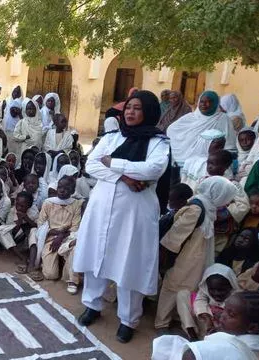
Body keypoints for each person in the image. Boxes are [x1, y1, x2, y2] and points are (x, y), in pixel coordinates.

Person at [74, 90, 170, 343]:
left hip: (135, 213)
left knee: (130, 262)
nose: (130, 112)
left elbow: (153, 168)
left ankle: (128, 319)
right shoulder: (112, 137)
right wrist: (125, 176)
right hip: (102, 207)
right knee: (98, 254)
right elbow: (91, 164)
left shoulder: (159, 142)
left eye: (137, 108)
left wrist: (113, 163)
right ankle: (92, 305)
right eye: (128, 107)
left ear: (148, 111)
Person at [155, 176, 238, 335]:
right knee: (172, 288)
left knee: (186, 289)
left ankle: (177, 318)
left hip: (195, 259)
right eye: (226, 197)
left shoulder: (208, 207)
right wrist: (165, 259)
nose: (227, 202)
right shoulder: (197, 209)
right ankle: (161, 324)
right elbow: (173, 238)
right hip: (185, 259)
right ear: (218, 194)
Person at [29, 175, 83, 292]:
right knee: (50, 275)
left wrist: (61, 236)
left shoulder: (76, 205)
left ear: (73, 191)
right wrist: (56, 234)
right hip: (50, 238)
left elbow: (75, 228)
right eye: (60, 187)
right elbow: (41, 224)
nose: (62, 190)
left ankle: (72, 280)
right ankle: (55, 262)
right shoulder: (48, 203)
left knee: (75, 248)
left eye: (67, 188)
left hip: (67, 237)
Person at [167, 91, 236, 169]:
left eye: (208, 102)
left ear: (215, 103)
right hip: (182, 164)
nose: (203, 104)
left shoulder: (223, 119)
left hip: (210, 165)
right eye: (202, 101)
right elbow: (171, 129)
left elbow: (229, 144)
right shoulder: (190, 117)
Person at [0, 191, 38, 259]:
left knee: (34, 230)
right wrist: (19, 222)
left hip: (26, 243)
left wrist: (26, 218)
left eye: (22, 206)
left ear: (29, 206)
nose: (19, 208)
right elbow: (11, 234)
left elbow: (38, 227)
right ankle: (21, 256)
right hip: (13, 244)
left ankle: (32, 257)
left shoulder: (34, 211)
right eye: (17, 204)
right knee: (0, 231)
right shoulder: (12, 211)